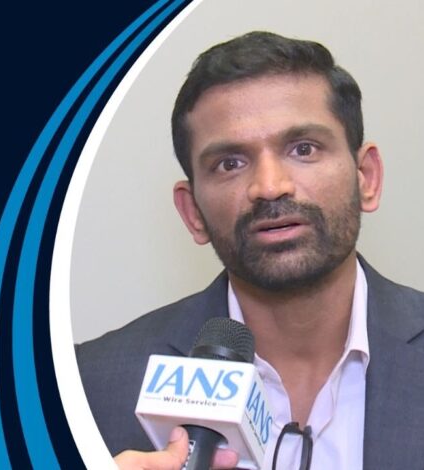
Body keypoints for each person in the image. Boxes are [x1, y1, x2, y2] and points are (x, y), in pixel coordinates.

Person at [76, 31, 424, 469]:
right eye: (230, 163)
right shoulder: (87, 387)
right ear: (193, 212)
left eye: (303, 149)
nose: (270, 186)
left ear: (366, 178)